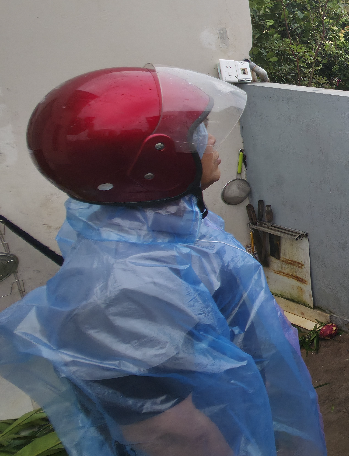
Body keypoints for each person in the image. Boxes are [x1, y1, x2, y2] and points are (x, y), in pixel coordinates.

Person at [0, 67, 327, 456]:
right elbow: (179, 437)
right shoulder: (120, 290)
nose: (211, 142)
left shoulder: (168, 228)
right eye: (197, 132)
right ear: (154, 158)